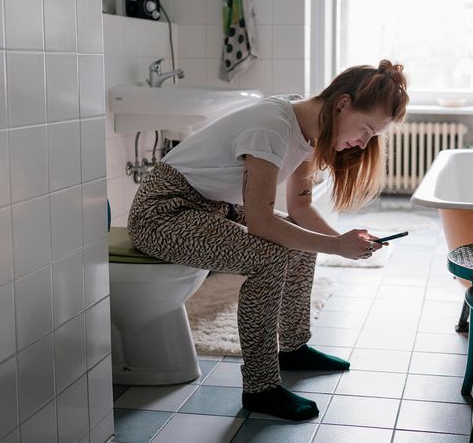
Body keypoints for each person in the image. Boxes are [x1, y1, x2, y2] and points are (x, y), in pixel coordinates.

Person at [127, 60, 409, 420]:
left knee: (299, 238)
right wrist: (338, 246)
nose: (363, 142)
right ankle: (260, 388)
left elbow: (301, 206)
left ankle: (292, 347)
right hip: (163, 210)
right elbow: (260, 222)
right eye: (367, 129)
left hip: (213, 205)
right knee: (270, 257)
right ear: (342, 104)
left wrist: (343, 240)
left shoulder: (307, 126)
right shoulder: (272, 126)